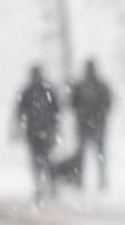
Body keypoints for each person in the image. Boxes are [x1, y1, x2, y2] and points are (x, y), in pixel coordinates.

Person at [12, 64, 62, 204]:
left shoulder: (32, 90)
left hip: (37, 130)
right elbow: (57, 110)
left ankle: (43, 186)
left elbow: (20, 111)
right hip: (41, 130)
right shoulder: (42, 90)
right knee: (45, 159)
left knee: (41, 160)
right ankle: (46, 186)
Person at [70, 59, 115, 191]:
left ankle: (95, 180)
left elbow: (108, 103)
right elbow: (72, 103)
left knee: (94, 155)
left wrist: (95, 114)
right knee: (89, 155)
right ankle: (85, 180)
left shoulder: (94, 85)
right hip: (88, 124)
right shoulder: (87, 85)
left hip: (92, 124)